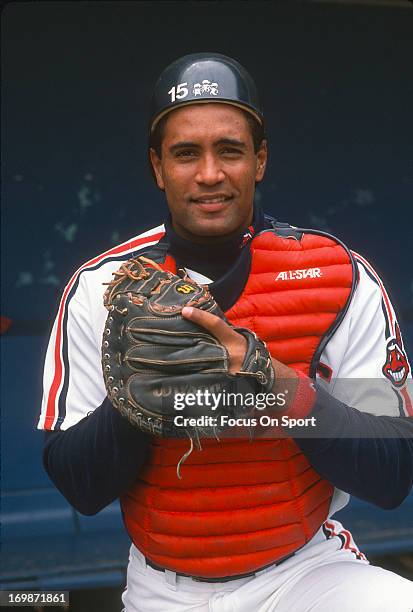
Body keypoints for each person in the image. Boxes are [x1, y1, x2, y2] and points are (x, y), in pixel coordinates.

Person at [38, 53, 413, 611]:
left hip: (306, 573)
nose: (209, 174)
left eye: (230, 150)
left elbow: (392, 476)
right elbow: (80, 488)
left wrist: (272, 380)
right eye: (186, 153)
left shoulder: (337, 275)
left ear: (259, 160)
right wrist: (138, 394)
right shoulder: (102, 287)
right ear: (157, 167)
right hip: (163, 586)